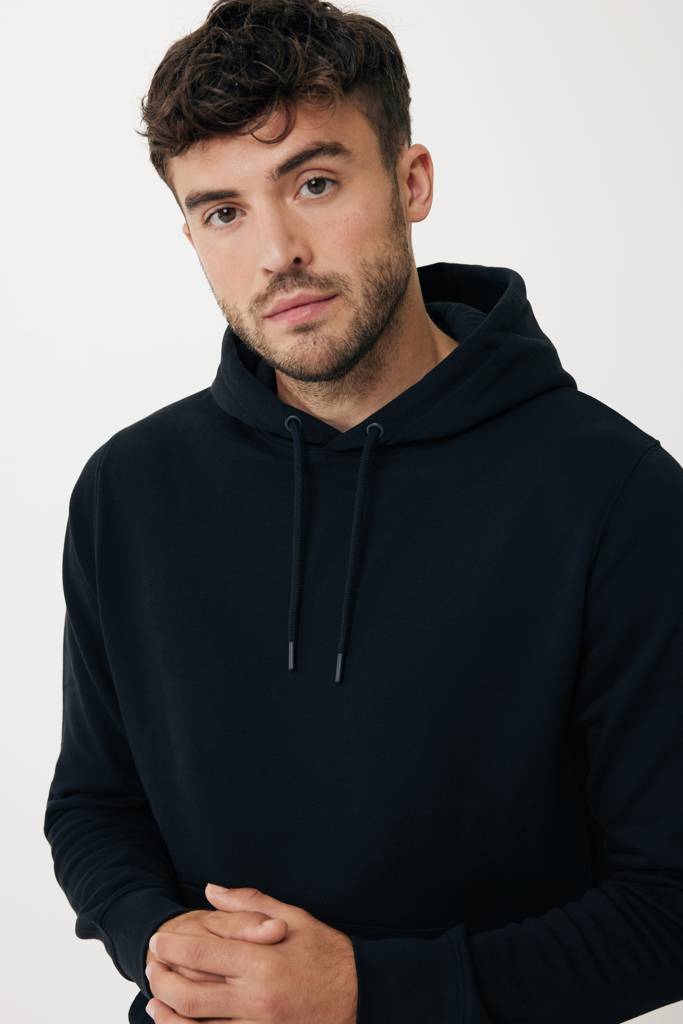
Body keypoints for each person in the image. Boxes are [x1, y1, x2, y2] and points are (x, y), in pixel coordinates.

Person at [44, 0, 683, 1022]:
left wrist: (363, 991)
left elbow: (666, 908)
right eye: (223, 211)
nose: (276, 252)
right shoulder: (128, 489)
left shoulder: (614, 497)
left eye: (314, 183)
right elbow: (94, 803)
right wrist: (155, 939)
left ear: (410, 181)